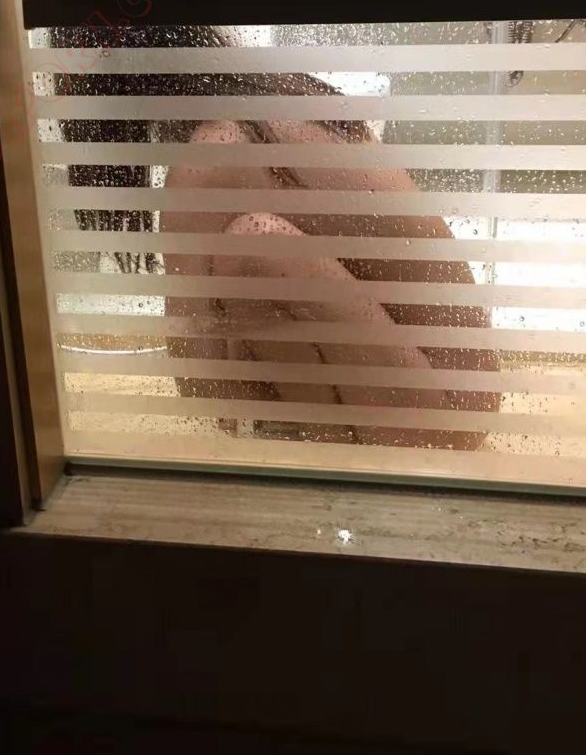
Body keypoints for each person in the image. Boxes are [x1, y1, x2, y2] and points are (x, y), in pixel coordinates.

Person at [56, 25, 500, 449]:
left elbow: (198, 383)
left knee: (251, 248)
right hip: (455, 398)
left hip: (436, 417)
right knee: (246, 265)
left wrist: (232, 340)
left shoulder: (214, 151)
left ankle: (321, 451)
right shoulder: (275, 99)